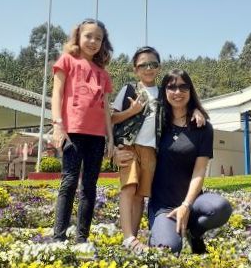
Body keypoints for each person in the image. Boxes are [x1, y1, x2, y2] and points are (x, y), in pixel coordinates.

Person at [118, 69, 232, 254]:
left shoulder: (202, 127)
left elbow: (199, 171)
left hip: (192, 203)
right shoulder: (157, 124)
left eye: (183, 87)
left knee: (221, 208)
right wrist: (116, 151)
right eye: (171, 87)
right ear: (164, 91)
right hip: (164, 206)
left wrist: (186, 205)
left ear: (190, 90)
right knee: (169, 249)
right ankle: (162, 229)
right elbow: (127, 136)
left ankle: (194, 233)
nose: (177, 92)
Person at [51, 19, 114, 243]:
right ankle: (58, 238)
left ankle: (82, 239)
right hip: (72, 131)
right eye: (88, 36)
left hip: (97, 136)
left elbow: (106, 108)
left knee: (90, 186)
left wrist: (111, 139)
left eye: (98, 38)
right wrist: (58, 125)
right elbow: (57, 94)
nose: (93, 41)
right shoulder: (67, 61)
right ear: (78, 36)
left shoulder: (103, 74)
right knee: (68, 182)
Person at [111, 46, 162, 253]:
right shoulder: (129, 89)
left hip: (150, 149)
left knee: (141, 194)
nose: (148, 68)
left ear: (158, 68)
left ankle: (132, 239)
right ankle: (128, 236)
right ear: (135, 69)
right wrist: (131, 111)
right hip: (128, 145)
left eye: (153, 64)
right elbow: (111, 118)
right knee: (129, 188)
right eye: (143, 65)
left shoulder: (164, 93)